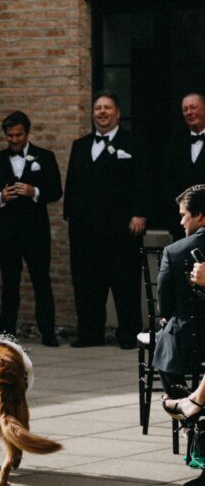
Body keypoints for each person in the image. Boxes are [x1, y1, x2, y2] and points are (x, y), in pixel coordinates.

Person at [63, 90, 149, 349]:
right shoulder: (80, 146)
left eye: (107, 108)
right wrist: (71, 216)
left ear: (118, 113)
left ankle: (128, 334)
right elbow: (73, 183)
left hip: (121, 228)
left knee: (124, 283)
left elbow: (143, 181)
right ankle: (90, 333)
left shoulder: (133, 143)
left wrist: (140, 212)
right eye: (98, 108)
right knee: (87, 284)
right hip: (85, 229)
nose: (102, 112)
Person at [0, 111, 62, 346]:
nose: (14, 140)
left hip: (36, 231)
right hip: (6, 232)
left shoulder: (44, 157)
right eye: (9, 136)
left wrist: (33, 192)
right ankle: (6, 333)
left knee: (41, 281)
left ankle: (48, 332)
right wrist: (0, 196)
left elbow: (56, 190)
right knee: (9, 282)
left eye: (18, 135)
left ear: (27, 133)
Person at [157, 188, 205, 486]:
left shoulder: (175, 251)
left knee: (166, 347)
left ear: (199, 215)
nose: (181, 223)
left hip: (188, 337)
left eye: (184, 216)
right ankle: (192, 408)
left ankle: (189, 417)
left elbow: (165, 306)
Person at [162, 93, 205, 239]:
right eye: (185, 109)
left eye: (193, 107)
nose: (189, 112)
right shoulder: (175, 142)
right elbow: (167, 180)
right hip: (181, 222)